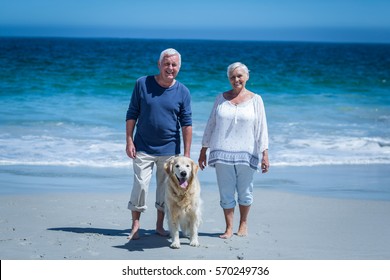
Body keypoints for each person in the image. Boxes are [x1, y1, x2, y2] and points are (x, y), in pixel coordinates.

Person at [125, 48, 192, 240]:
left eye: (174, 65)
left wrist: (185, 154)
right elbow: (132, 113)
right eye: (167, 64)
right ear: (159, 64)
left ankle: (159, 225)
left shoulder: (183, 91)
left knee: (165, 189)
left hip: (170, 150)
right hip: (143, 147)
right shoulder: (142, 84)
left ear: (179, 67)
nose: (170, 68)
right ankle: (135, 224)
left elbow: (187, 123)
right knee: (140, 186)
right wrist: (129, 140)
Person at [198, 62, 269, 239]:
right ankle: (229, 228)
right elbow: (211, 124)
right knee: (226, 191)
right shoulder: (220, 98)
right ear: (229, 79)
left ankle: (243, 224)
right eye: (232, 77)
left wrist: (264, 154)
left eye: (239, 76)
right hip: (222, 152)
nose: (236, 79)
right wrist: (203, 150)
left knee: (245, 191)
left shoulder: (256, 100)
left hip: (247, 152)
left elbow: (262, 128)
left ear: (247, 77)